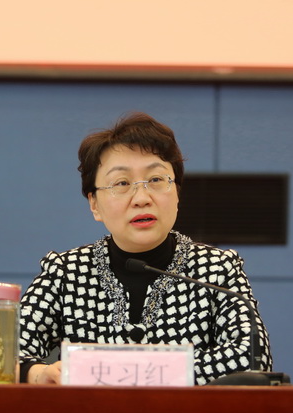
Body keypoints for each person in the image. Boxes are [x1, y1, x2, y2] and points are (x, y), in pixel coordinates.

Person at [19, 112, 272, 385]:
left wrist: (111, 372)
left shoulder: (217, 269)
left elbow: (252, 359)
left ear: (177, 193)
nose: (141, 198)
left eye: (156, 180)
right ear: (94, 204)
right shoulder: (66, 273)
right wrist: (39, 373)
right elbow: (2, 354)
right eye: (122, 183)